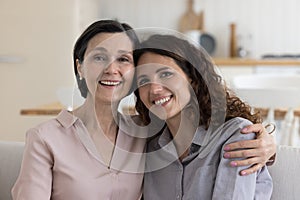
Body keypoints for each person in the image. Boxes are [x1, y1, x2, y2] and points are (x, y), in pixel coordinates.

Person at [12, 20, 275, 199]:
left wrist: (268, 144)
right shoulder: (46, 138)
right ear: (80, 67)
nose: (111, 69)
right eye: (99, 57)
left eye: (123, 60)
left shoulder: (143, 135)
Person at [133, 34, 273, 199]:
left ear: (192, 78)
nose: (154, 89)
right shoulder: (150, 146)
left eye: (165, 74)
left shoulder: (237, 135)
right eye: (143, 81)